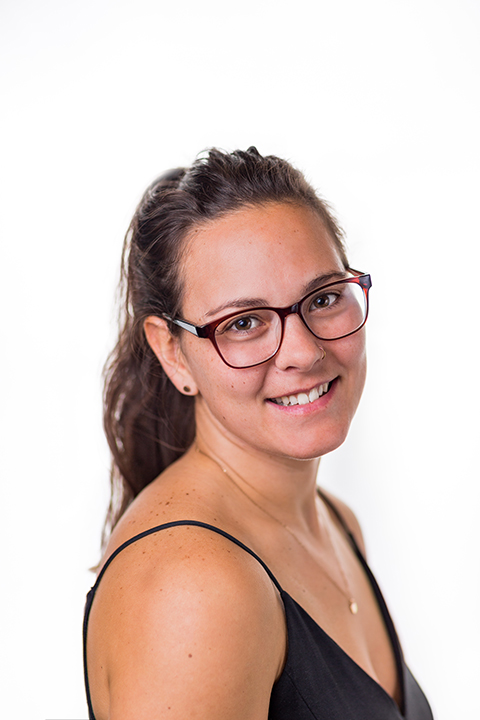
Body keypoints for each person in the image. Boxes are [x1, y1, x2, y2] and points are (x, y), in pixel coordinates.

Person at [83, 147, 433, 720]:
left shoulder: (338, 524)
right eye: (244, 323)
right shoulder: (193, 588)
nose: (304, 351)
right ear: (172, 352)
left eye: (324, 298)